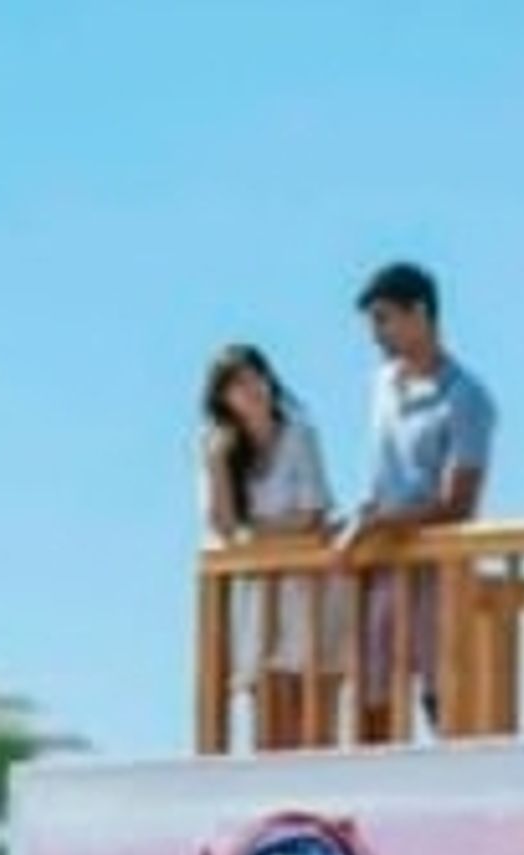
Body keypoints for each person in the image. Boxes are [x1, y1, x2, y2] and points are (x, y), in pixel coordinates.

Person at [338, 260, 499, 746]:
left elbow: (458, 501)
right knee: (373, 690)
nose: (376, 334)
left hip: (434, 563)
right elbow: (383, 471)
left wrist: (385, 521)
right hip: (383, 562)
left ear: (420, 313)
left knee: (440, 688)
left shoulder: (466, 398)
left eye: (384, 319)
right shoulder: (383, 386)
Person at [201, 344, 341, 753]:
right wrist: (216, 464)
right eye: (237, 384)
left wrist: (257, 534)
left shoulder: (299, 435)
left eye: (255, 377)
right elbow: (223, 525)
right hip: (259, 587)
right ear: (223, 398)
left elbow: (312, 512)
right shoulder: (222, 448)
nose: (251, 390)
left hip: (305, 582)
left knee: (309, 691)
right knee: (266, 693)